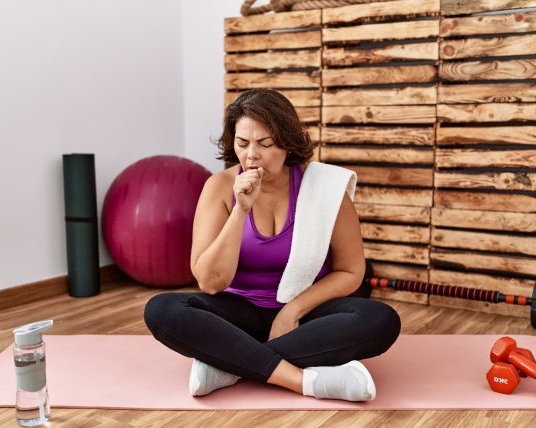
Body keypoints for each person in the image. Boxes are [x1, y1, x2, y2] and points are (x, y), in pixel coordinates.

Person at [144, 88, 401, 402]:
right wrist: (241, 210)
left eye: (265, 144)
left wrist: (291, 311)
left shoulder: (324, 187)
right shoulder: (220, 187)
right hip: (238, 314)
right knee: (163, 310)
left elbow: (350, 271)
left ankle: (229, 362)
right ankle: (300, 379)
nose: (252, 155)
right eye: (242, 143)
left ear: (287, 142)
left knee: (381, 321)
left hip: (307, 316)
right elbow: (210, 283)